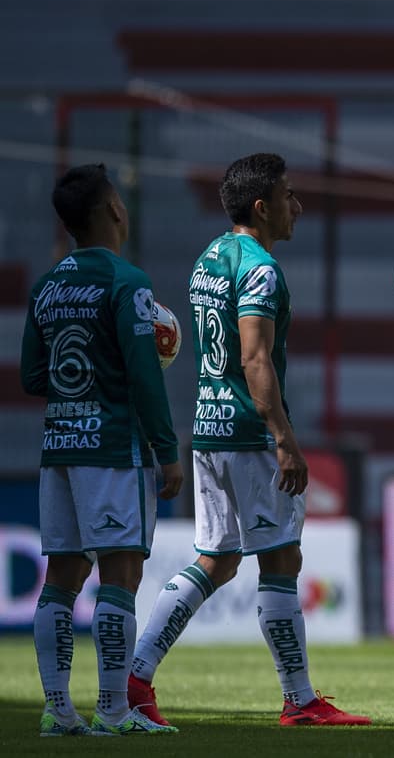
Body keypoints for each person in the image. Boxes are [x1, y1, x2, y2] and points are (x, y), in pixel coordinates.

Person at [129, 153, 369, 727]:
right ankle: (301, 699)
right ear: (262, 207)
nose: (297, 206)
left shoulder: (208, 257)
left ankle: (135, 677)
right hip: (248, 432)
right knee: (282, 557)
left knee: (215, 559)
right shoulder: (260, 268)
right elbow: (255, 358)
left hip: (208, 428)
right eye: (288, 195)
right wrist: (284, 438)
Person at [21, 164, 183, 736]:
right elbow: (144, 377)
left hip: (59, 450)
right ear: (114, 210)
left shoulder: (45, 287)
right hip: (114, 448)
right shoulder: (127, 282)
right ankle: (114, 709)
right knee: (119, 578)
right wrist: (167, 450)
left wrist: (82, 376)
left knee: (60, 580)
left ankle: (57, 709)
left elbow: (33, 376)